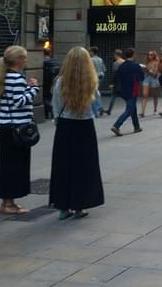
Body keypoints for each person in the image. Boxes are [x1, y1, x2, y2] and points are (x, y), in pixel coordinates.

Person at [50, 47, 105, 220]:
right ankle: (80, 205)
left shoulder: (60, 82)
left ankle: (63, 207)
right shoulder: (91, 82)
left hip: (65, 127)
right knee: (84, 167)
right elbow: (95, 105)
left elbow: (56, 106)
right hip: (85, 126)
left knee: (63, 166)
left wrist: (58, 121)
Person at [0, 46, 39, 215]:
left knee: (7, 166)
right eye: (25, 58)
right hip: (16, 129)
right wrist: (34, 89)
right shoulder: (16, 78)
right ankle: (8, 204)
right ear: (18, 60)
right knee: (15, 167)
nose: (27, 61)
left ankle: (9, 202)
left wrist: (27, 88)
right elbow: (18, 102)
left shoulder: (7, 76)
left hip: (6, 127)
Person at [111, 47, 144, 136]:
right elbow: (141, 77)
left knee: (132, 108)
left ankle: (136, 127)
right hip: (133, 90)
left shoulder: (122, 65)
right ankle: (116, 125)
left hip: (123, 90)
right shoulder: (135, 65)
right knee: (129, 109)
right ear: (133, 55)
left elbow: (117, 77)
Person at [104, 49, 124, 116]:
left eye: (114, 55)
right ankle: (130, 109)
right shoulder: (124, 62)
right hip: (124, 81)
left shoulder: (116, 63)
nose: (114, 56)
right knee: (125, 96)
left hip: (118, 82)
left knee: (113, 96)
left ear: (116, 55)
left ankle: (109, 110)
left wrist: (112, 83)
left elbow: (116, 74)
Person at [140, 51, 160, 116]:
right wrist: (144, 69)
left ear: (154, 56)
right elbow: (145, 72)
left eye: (151, 55)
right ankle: (143, 112)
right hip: (146, 79)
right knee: (144, 95)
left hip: (153, 79)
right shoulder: (146, 63)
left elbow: (155, 74)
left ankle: (155, 110)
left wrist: (148, 70)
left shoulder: (156, 63)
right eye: (148, 54)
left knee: (155, 96)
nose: (149, 56)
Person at [42, 47, 60, 120]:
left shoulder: (43, 62)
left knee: (45, 97)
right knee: (52, 97)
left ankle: (46, 114)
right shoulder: (55, 62)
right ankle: (52, 113)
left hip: (45, 83)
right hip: (54, 82)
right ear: (50, 53)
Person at [89, 47, 106, 117]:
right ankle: (99, 107)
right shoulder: (100, 59)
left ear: (92, 52)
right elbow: (104, 69)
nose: (89, 53)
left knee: (94, 93)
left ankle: (98, 107)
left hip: (94, 77)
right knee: (96, 92)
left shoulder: (91, 59)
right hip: (101, 76)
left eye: (90, 51)